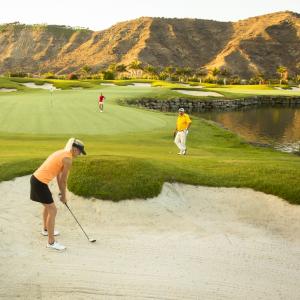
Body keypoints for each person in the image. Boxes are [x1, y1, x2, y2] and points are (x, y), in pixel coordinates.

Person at [30, 138, 86, 251]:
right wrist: (64, 196)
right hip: (40, 183)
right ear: (74, 149)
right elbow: (64, 180)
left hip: (37, 180)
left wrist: (61, 192)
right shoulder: (68, 159)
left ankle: (45, 230)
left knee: (48, 206)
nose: (79, 154)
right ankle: (51, 243)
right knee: (53, 210)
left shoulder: (62, 153)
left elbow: (58, 176)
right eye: (80, 152)